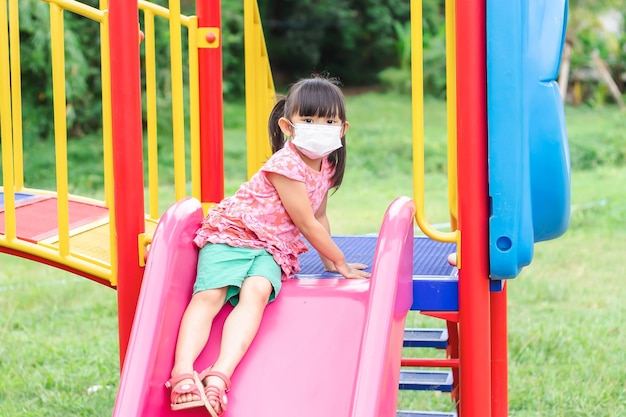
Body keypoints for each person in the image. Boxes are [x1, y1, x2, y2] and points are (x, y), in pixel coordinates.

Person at [165, 75, 371, 416]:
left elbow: (319, 216)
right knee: (211, 294)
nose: (319, 127)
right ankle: (183, 373)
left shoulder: (328, 165)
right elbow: (305, 223)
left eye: (329, 121)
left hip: (272, 248)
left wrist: (329, 261)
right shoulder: (285, 165)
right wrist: (341, 262)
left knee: (257, 292)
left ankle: (219, 375)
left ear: (343, 128)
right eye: (308, 119)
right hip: (236, 233)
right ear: (288, 126)